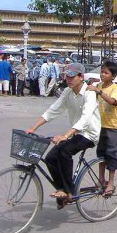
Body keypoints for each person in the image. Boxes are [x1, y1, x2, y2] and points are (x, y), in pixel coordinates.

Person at [25, 63, 101, 203]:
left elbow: (85, 118)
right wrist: (33, 128)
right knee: (50, 157)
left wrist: (65, 136)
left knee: (65, 151)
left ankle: (69, 191)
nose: (69, 79)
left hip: (89, 134)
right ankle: (62, 189)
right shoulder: (67, 92)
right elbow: (53, 110)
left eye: (72, 77)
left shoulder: (89, 93)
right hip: (76, 133)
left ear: (81, 77)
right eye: (67, 76)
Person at [86, 60, 117, 197]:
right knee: (101, 154)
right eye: (102, 72)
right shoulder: (99, 85)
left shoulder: (115, 87)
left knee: (111, 154)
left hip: (112, 126)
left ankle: (111, 182)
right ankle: (101, 179)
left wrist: (98, 91)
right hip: (99, 125)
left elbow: (113, 102)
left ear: (113, 76)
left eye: (106, 73)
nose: (102, 75)